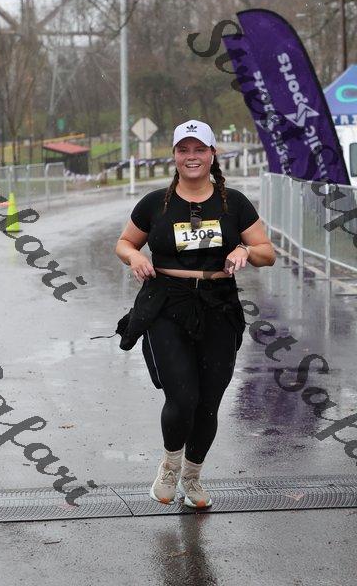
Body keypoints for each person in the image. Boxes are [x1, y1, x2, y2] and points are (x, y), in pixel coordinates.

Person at [114, 119, 276, 509]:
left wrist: (245, 250)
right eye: (183, 150)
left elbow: (267, 253)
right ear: (174, 156)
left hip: (219, 305)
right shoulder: (155, 203)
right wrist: (135, 256)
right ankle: (170, 467)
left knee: (208, 401)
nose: (192, 157)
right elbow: (124, 242)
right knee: (183, 396)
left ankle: (192, 475)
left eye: (199, 149)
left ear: (212, 154)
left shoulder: (233, 203)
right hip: (166, 304)